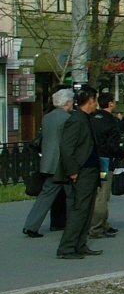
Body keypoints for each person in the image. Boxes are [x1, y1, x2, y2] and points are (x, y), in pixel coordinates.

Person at [56, 86, 104, 259]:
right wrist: (72, 171)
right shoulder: (76, 120)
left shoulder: (86, 118)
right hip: (82, 171)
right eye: (95, 100)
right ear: (90, 100)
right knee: (80, 209)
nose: (96, 104)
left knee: (87, 209)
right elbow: (66, 148)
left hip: (91, 169)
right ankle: (67, 247)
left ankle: (80, 244)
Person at [22, 88, 75, 238]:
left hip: (48, 162)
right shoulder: (68, 119)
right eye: (71, 101)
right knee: (73, 195)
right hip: (62, 163)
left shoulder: (47, 117)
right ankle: (75, 225)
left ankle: (31, 225)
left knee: (45, 196)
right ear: (67, 102)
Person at [90, 92, 124, 240]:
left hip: (91, 160)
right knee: (103, 195)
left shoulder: (92, 117)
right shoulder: (111, 121)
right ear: (110, 103)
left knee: (96, 193)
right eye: (114, 101)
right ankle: (96, 227)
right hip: (105, 161)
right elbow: (112, 146)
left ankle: (104, 224)